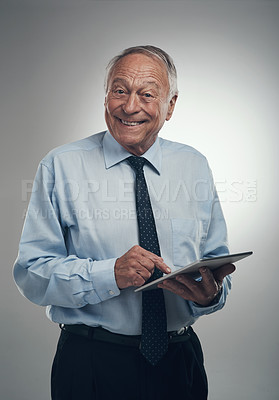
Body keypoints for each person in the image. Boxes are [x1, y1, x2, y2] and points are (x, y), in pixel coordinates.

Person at [14, 45, 235, 400]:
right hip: (91, 364)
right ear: (105, 96)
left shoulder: (194, 165)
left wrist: (211, 296)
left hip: (179, 362)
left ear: (171, 105)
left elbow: (216, 259)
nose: (130, 106)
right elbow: (32, 273)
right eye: (119, 90)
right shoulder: (60, 166)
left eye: (147, 94)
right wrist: (109, 274)